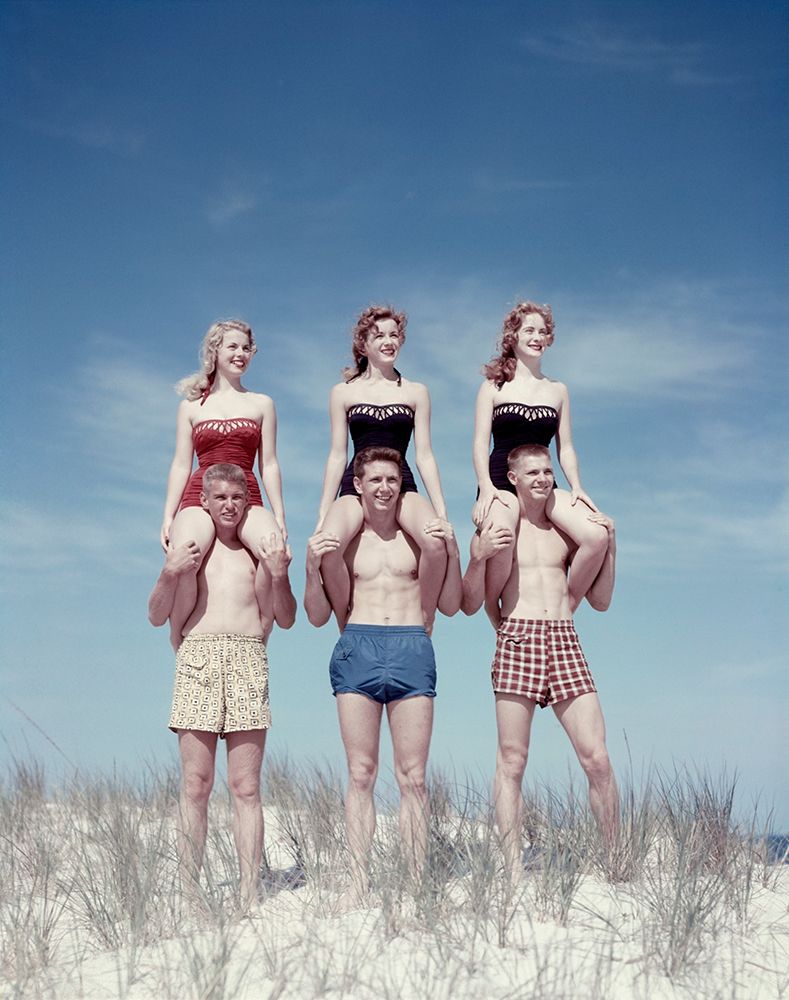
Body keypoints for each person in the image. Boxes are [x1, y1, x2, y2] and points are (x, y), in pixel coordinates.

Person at [305, 446, 461, 908]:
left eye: (392, 480)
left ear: (401, 485)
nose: (384, 488)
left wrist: (452, 550)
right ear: (358, 486)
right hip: (359, 646)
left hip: (412, 646)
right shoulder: (345, 543)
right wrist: (313, 568)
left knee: (413, 777)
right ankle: (358, 882)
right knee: (361, 773)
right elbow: (317, 616)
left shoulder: (419, 542)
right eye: (374, 479)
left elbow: (450, 604)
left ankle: (415, 885)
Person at [463, 443, 619, 885]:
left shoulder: (567, 533)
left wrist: (612, 542)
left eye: (547, 471)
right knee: (512, 760)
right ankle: (512, 867)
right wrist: (479, 559)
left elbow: (602, 600)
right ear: (511, 478)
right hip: (519, 637)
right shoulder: (502, 530)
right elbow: (477, 602)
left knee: (598, 759)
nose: (543, 479)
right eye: (532, 472)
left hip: (565, 638)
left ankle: (614, 859)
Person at [148, 463, 296, 908]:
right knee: (195, 783)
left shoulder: (256, 552)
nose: (229, 504)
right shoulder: (192, 552)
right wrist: (170, 572)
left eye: (237, 497)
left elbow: (285, 618)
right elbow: (156, 615)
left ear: (247, 501)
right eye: (221, 497)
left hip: (248, 656)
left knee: (246, 788)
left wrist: (278, 572)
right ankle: (190, 891)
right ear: (205, 502)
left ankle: (251, 890)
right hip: (199, 655)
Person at [315, 305, 449, 632]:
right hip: (355, 483)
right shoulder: (343, 392)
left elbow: (425, 455)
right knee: (329, 544)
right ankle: (345, 621)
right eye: (379, 336)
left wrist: (441, 512)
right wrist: (322, 514)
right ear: (364, 344)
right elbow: (336, 455)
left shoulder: (416, 392)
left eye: (394, 335)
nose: (388, 342)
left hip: (400, 483)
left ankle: (425, 617)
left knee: (435, 542)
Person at [472, 301, 607, 623]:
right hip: (501, 480)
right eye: (528, 330)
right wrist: (486, 488)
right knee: (502, 535)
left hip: (544, 481)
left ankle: (567, 606)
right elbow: (479, 443)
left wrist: (577, 487)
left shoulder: (558, 390)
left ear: (549, 339)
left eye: (542, 331)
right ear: (513, 336)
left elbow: (567, 447)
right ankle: (495, 613)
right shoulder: (493, 387)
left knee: (596, 536)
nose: (536, 337)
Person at [161, 319, 287, 649]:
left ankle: (261, 630)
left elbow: (269, 463)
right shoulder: (190, 407)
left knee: (272, 549)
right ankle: (179, 638)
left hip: (246, 491)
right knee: (186, 555)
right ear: (215, 350)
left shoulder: (262, 404)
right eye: (233, 346)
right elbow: (179, 463)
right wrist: (168, 515)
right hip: (199, 492)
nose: (240, 354)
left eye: (246, 348)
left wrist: (280, 514)